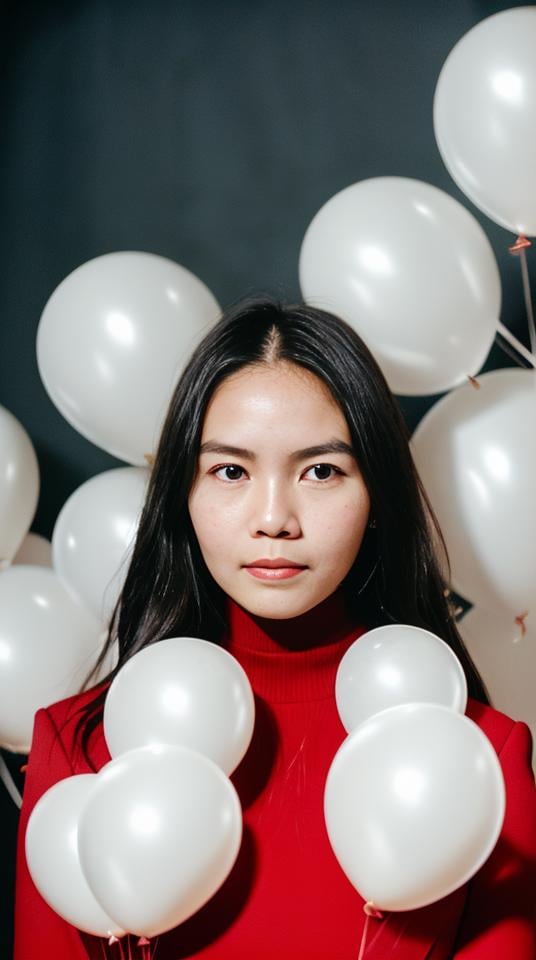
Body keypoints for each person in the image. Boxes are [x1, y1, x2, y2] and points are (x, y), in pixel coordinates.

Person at [14, 297, 536, 959]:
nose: (273, 518)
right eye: (230, 470)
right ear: (183, 494)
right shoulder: (75, 750)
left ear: (376, 496)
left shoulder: (482, 762)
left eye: (321, 471)